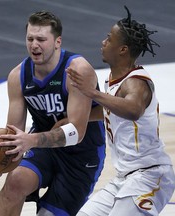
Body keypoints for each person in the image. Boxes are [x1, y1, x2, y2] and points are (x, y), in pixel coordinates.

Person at [0, 11, 106, 216]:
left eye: (41, 39)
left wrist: (30, 140)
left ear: (57, 42)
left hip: (81, 155)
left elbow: (76, 132)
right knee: (14, 182)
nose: (34, 45)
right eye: (30, 39)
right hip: (44, 149)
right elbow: (14, 132)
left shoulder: (77, 70)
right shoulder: (18, 76)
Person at [67, 6, 175, 216]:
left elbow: (133, 110)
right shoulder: (113, 81)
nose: (103, 42)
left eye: (109, 38)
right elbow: (111, 111)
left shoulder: (136, 83)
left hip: (150, 175)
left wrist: (93, 93)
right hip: (124, 178)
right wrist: (77, 119)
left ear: (123, 49)